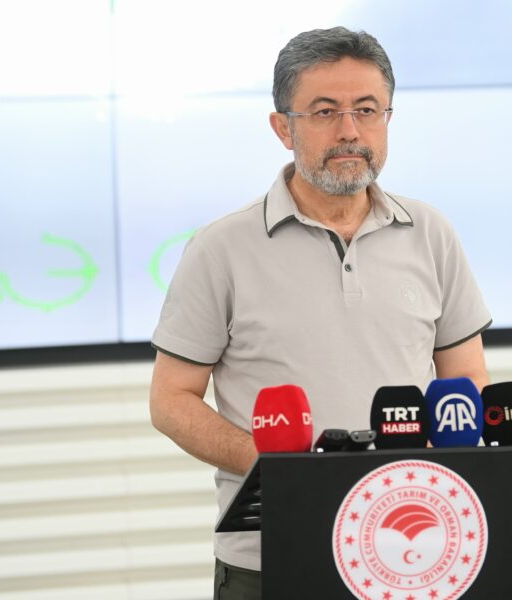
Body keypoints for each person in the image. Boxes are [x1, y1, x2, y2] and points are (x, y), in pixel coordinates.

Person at [149, 27, 491, 600]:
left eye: (367, 110)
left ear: (388, 118)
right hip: (272, 556)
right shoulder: (221, 248)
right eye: (325, 111)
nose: (350, 130)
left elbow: (467, 379)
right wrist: (277, 467)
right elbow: (170, 400)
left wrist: (422, 467)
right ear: (283, 127)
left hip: (407, 550)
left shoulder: (432, 234)